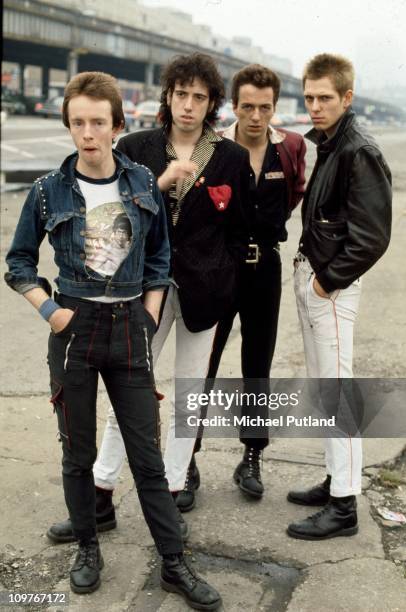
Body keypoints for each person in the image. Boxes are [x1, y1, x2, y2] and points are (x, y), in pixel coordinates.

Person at [5, 71, 222, 610]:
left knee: (147, 455)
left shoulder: (142, 182)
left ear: (117, 125)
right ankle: (87, 549)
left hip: (129, 330)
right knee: (77, 454)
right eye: (77, 122)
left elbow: (158, 259)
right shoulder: (47, 191)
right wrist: (52, 311)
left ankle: (173, 562)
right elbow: (18, 263)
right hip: (73, 330)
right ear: (70, 127)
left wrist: (148, 318)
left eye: (98, 122)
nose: (87, 133)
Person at [47, 51, 249, 536]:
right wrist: (159, 184)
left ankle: (176, 484)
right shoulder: (137, 146)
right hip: (141, 289)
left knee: (189, 393)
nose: (188, 105)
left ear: (211, 103)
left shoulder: (230, 157)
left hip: (206, 291)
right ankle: (101, 492)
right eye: (181, 94)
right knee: (130, 389)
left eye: (199, 97)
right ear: (169, 95)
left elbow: (240, 233)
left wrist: (227, 283)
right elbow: (111, 216)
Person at [287, 53, 392, 540]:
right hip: (318, 277)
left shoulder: (358, 149)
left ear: (347, 97)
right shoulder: (331, 143)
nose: (314, 106)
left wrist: (325, 282)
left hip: (332, 284)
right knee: (324, 387)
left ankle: (344, 506)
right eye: (308, 97)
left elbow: (371, 237)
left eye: (324, 97)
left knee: (336, 390)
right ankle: (336, 481)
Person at [193, 64, 306, 503]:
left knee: (258, 366)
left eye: (264, 108)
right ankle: (188, 457)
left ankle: (252, 457)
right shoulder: (214, 147)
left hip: (266, 271)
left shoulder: (290, 147)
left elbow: (294, 193)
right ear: (233, 106)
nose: (255, 116)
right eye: (246, 107)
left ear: (275, 107)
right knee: (204, 363)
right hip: (220, 270)